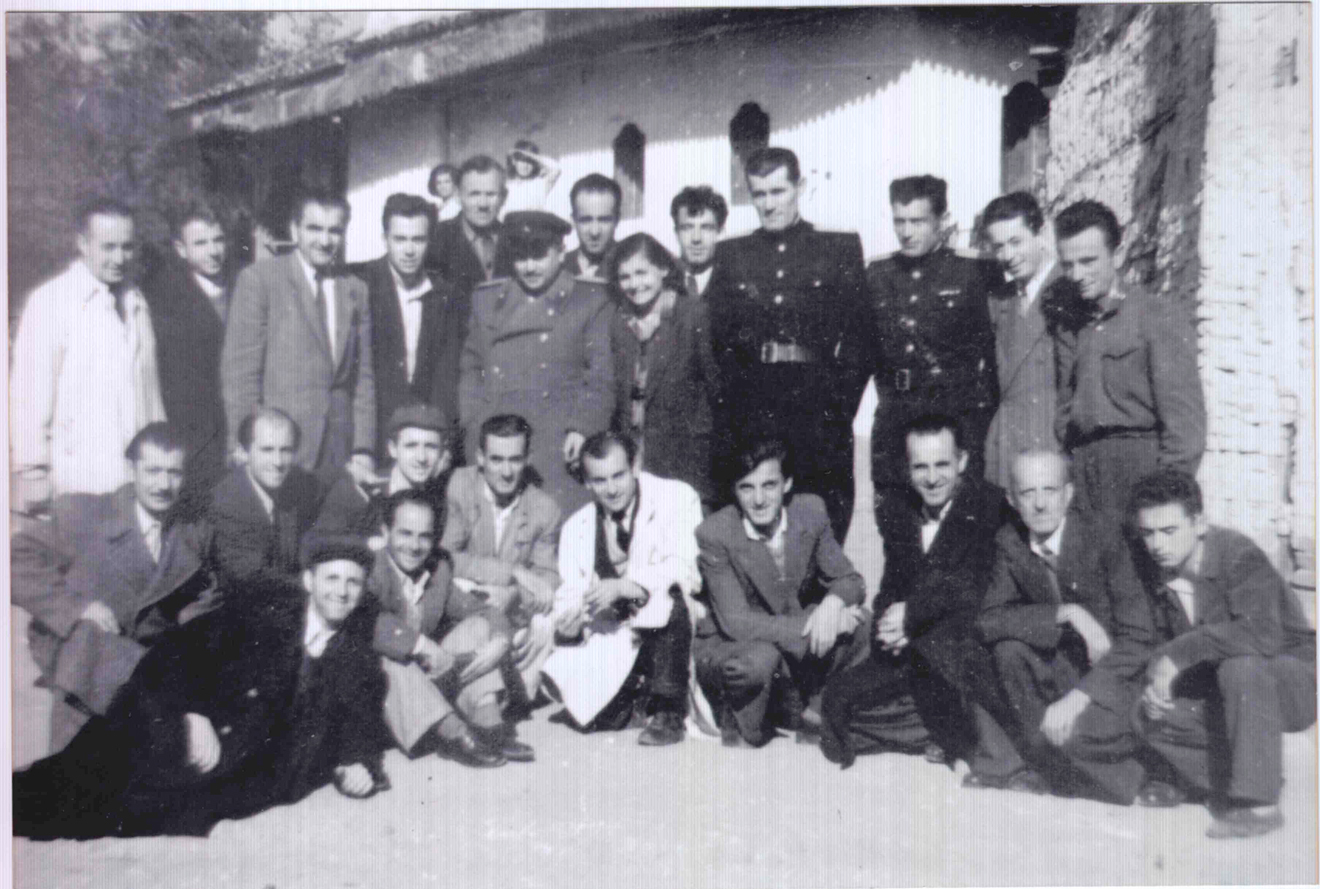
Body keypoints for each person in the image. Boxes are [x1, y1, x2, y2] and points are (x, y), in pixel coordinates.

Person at [14, 535, 390, 840]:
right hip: (188, 734)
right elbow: (177, 650)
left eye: (353, 582)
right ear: (309, 581)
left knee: (125, 813)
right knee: (78, 787)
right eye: (332, 578)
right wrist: (192, 713)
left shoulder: (358, 660)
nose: (341, 591)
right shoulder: (262, 619)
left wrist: (358, 764)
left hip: (244, 777)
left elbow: (362, 723)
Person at [10, 423, 220, 753]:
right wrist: (76, 609)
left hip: (147, 682)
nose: (163, 485)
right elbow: (14, 560)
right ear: (131, 470)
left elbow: (199, 619)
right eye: (152, 471)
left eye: (173, 473)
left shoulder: (194, 535)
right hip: (86, 672)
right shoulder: (86, 514)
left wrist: (194, 701)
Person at [819, 414, 1011, 772]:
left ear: (963, 461)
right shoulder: (900, 511)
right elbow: (890, 587)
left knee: (938, 683)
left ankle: (944, 731)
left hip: (959, 649)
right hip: (909, 653)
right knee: (836, 702)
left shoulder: (989, 505)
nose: (932, 478)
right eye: (921, 467)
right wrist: (887, 627)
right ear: (908, 470)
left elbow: (978, 587)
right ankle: (932, 729)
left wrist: (912, 617)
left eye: (942, 464)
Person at [1129, 469, 1315, 838]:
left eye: (1169, 530)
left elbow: (1261, 636)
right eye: (1148, 533)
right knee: (1144, 714)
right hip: (1222, 687)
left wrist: (1178, 655)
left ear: (1199, 523)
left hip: (1288, 682)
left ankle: (1260, 805)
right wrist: (1157, 688)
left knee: (1241, 667)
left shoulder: (1239, 555)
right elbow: (1154, 643)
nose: (1157, 544)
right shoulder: (1155, 570)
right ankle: (1239, 777)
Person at [704, 148, 872, 540]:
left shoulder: (838, 247)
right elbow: (716, 339)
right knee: (756, 522)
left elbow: (861, 337)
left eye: (778, 192)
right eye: (759, 194)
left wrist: (838, 407)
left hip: (817, 409)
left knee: (821, 515)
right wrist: (734, 405)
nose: (769, 204)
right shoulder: (732, 254)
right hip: (752, 408)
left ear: (800, 187)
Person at [972, 450, 1153, 802]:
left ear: (1068, 494)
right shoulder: (1010, 541)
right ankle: (1044, 765)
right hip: (1065, 670)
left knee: (1084, 739)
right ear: (1012, 500)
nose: (1040, 504)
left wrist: (1080, 698)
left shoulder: (1105, 536)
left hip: (1115, 677)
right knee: (1006, 651)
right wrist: (1066, 613)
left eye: (1050, 490)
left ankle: (1136, 775)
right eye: (1028, 493)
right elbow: (989, 619)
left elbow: (1139, 637)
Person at [694, 438, 868, 747]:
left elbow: (849, 579)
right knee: (756, 663)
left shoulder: (810, 510)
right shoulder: (715, 532)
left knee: (865, 624)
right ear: (735, 490)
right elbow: (736, 622)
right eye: (747, 488)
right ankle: (740, 714)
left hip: (788, 639)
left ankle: (815, 710)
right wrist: (815, 625)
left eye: (769, 485)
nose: (759, 500)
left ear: (787, 483)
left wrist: (832, 604)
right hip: (741, 644)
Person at [545, 431, 710, 745]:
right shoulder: (577, 526)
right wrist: (569, 622)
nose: (611, 489)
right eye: (599, 480)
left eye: (618, 476)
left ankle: (668, 710)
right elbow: (570, 592)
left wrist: (630, 586)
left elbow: (687, 569)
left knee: (670, 597)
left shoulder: (675, 497)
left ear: (635, 466)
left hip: (671, 629)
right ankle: (640, 697)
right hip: (617, 632)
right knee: (594, 717)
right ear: (587, 482)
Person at [1048, 200, 1206, 517]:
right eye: (1068, 265)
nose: (1077, 275)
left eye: (1088, 261)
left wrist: (1163, 500)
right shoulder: (1071, 325)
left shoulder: (1155, 316)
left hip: (1139, 470)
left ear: (1117, 255)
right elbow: (1065, 410)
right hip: (1084, 473)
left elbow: (1185, 429)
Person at [11, 197, 166, 506]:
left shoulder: (136, 301)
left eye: (127, 247)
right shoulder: (52, 301)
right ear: (83, 244)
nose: (119, 258)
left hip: (137, 480)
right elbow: (28, 395)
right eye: (108, 247)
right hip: (79, 479)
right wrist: (31, 470)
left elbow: (151, 395)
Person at [221, 186, 378, 489]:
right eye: (314, 228)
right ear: (295, 230)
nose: (325, 240)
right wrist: (242, 443)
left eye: (334, 231)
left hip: (339, 451)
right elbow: (241, 374)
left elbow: (363, 377)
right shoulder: (261, 280)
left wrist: (363, 448)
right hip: (281, 452)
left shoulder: (355, 289)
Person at [458, 210, 614, 515]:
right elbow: (471, 368)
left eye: (539, 256)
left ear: (561, 252)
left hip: (557, 445)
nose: (529, 267)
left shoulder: (589, 299)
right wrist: (473, 422)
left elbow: (601, 375)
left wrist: (583, 427)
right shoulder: (487, 300)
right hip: (498, 443)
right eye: (521, 257)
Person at [368, 490, 533, 768]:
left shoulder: (436, 570)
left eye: (424, 536)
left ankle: (488, 724)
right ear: (385, 532)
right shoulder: (371, 568)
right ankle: (454, 734)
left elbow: (484, 611)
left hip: (424, 682)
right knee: (390, 660)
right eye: (405, 534)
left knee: (477, 626)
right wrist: (420, 644)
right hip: (382, 694)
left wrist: (500, 641)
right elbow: (366, 621)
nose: (415, 546)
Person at [868, 175, 1000, 498]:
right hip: (896, 416)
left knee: (959, 512)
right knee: (895, 512)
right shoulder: (876, 274)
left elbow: (994, 350)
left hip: (954, 417)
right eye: (899, 221)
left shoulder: (974, 271)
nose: (906, 232)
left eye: (918, 221)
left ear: (942, 220)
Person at [442, 414, 561, 705]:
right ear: (480, 458)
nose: (506, 472)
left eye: (515, 460)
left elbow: (547, 577)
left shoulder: (544, 508)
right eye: (496, 460)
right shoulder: (460, 485)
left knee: (546, 622)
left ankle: (513, 694)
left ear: (528, 459)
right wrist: (512, 572)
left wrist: (512, 594)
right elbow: (446, 557)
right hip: (465, 601)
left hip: (512, 611)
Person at [608, 233, 722, 505]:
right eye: (625, 277)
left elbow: (715, 385)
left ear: (663, 269)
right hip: (635, 457)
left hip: (684, 456)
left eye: (641, 273)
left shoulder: (692, 314)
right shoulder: (619, 322)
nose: (634, 284)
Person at [350, 194, 464, 461]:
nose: (409, 250)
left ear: (430, 240)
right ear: (385, 239)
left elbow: (446, 378)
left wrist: (443, 444)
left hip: (424, 444)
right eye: (400, 239)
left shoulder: (444, 294)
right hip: (372, 441)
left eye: (418, 239)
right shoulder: (361, 285)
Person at [141, 200, 232, 499]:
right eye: (201, 243)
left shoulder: (244, 287)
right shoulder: (165, 300)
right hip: (194, 436)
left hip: (239, 429)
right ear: (181, 249)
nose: (213, 251)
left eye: (218, 240)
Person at [981, 192, 1063, 492]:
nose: (1008, 256)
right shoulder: (999, 301)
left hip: (1050, 452)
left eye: (1016, 242)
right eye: (999, 246)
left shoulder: (1068, 291)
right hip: (1007, 453)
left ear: (1041, 234)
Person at [208, 407, 323, 589]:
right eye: (267, 450)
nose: (278, 462)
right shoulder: (226, 501)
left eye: (286, 450)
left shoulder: (298, 486)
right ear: (244, 452)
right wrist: (315, 586)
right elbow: (250, 577)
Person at [314, 403, 454, 541]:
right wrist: (367, 547)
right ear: (392, 449)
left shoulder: (438, 502)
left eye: (431, 447)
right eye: (411, 446)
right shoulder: (358, 491)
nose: (421, 457)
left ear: (442, 453)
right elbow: (317, 546)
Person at [428, 155, 512, 298]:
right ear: (458, 196)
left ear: (504, 197)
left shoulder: (514, 238)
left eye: (491, 194)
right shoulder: (437, 239)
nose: (483, 204)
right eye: (474, 194)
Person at [670, 185, 727, 299]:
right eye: (687, 228)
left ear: (720, 232)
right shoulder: (664, 285)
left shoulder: (733, 284)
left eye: (706, 228)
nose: (696, 238)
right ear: (676, 233)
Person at [563, 173, 622, 281]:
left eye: (604, 220)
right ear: (573, 220)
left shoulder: (631, 266)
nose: (594, 232)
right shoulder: (559, 268)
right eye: (586, 220)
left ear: (617, 220)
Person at [502, 139, 562, 214]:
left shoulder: (541, 183)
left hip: (534, 221)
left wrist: (531, 156)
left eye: (530, 162)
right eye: (522, 160)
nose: (525, 165)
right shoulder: (507, 186)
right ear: (514, 161)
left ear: (535, 163)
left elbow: (557, 168)